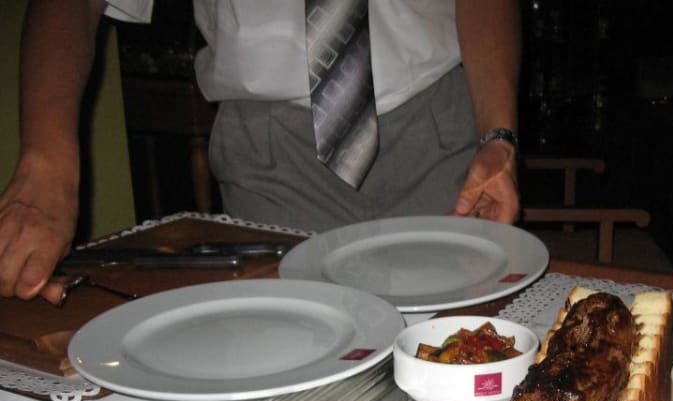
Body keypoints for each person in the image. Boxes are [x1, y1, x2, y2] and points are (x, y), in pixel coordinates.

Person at [0, 0, 522, 304]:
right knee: (288, 378)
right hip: (272, 160)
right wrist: (46, 166)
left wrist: (498, 135)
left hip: (438, 135)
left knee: (460, 360)